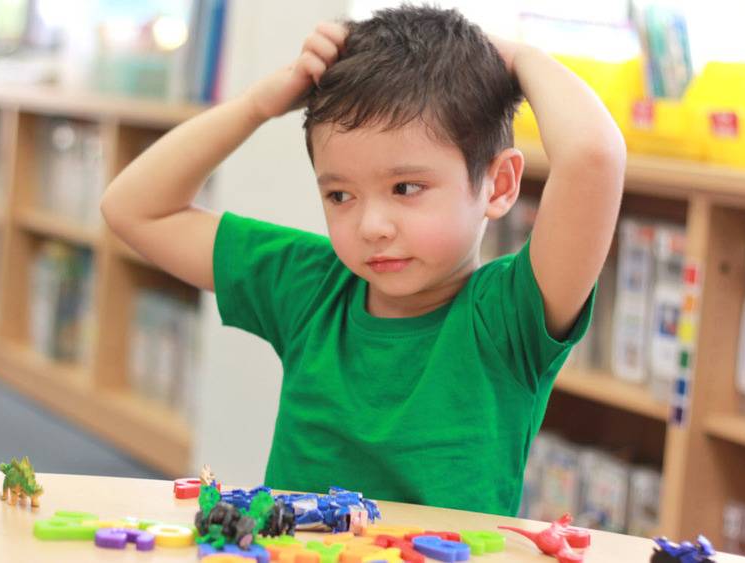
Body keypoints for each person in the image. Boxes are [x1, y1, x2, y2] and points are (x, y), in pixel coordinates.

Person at [101, 5, 625, 515]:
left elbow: (592, 158)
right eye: (340, 196)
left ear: (499, 184)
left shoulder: (511, 317)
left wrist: (512, 58)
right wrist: (259, 104)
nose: (372, 225)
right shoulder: (310, 285)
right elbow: (133, 209)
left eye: (407, 187)